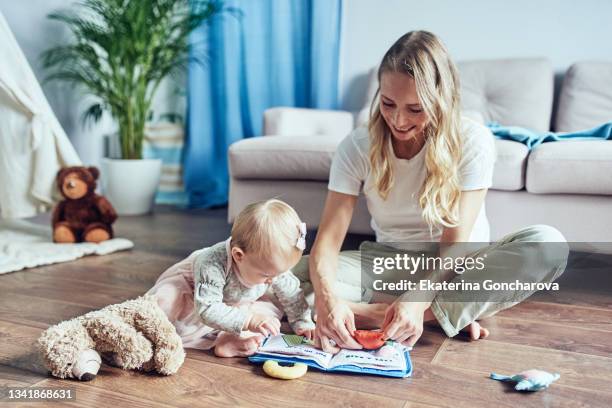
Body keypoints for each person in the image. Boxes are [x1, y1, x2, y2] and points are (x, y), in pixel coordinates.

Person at [292, 31, 569, 354]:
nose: (398, 119)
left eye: (415, 109)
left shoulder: (472, 141)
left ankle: (397, 313)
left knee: (548, 244)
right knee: (285, 274)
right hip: (390, 264)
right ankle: (433, 315)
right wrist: (327, 300)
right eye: (388, 103)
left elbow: (455, 246)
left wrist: (420, 297)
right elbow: (328, 239)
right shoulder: (356, 146)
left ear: (442, 101)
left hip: (456, 266)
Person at [148, 199, 315, 357]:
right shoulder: (211, 263)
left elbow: (291, 295)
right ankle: (151, 333)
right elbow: (207, 309)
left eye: (280, 273)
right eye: (267, 275)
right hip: (194, 299)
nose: (274, 280)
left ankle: (228, 340)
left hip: (233, 303)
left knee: (268, 314)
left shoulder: (271, 269)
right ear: (238, 255)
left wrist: (303, 322)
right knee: (164, 307)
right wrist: (249, 320)